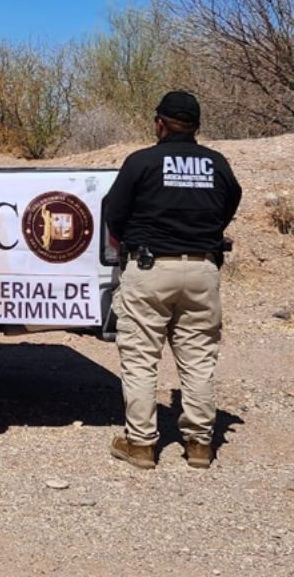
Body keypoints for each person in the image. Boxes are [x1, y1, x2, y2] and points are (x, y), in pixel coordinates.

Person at [103, 91, 242, 470]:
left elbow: (114, 212)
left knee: (140, 359)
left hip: (150, 268)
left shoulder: (141, 162)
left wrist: (133, 240)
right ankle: (199, 445)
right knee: (198, 358)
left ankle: (141, 444)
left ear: (160, 124)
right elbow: (230, 204)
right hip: (202, 270)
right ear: (196, 126)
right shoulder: (217, 164)